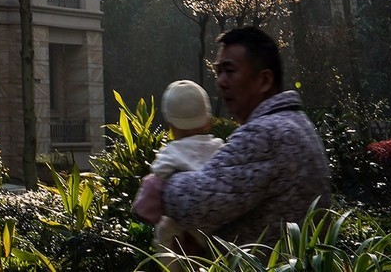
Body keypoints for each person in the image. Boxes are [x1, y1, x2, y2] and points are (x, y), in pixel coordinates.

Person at [134, 27, 330, 248]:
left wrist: (160, 183)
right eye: (219, 72)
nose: (220, 81)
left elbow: (196, 203)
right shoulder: (296, 122)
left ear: (264, 80)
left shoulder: (264, 133)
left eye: (230, 71)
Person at [135, 80, 223, 255]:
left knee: (164, 229)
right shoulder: (219, 148)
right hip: (218, 231)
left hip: (183, 233)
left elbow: (154, 187)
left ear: (172, 127)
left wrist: (145, 210)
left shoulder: (171, 154)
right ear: (208, 121)